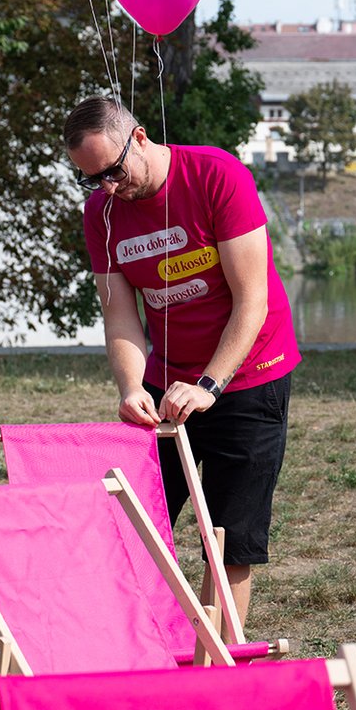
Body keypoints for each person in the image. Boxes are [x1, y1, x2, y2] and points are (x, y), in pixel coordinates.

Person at [65, 95, 299, 630]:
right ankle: (143, 648)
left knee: (228, 540)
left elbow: (252, 301)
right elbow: (121, 317)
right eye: (91, 178)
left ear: (140, 137)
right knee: (134, 526)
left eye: (114, 171)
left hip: (249, 377)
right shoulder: (102, 213)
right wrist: (130, 388)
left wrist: (210, 384)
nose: (107, 188)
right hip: (167, 384)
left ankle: (215, 671)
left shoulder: (217, 176)